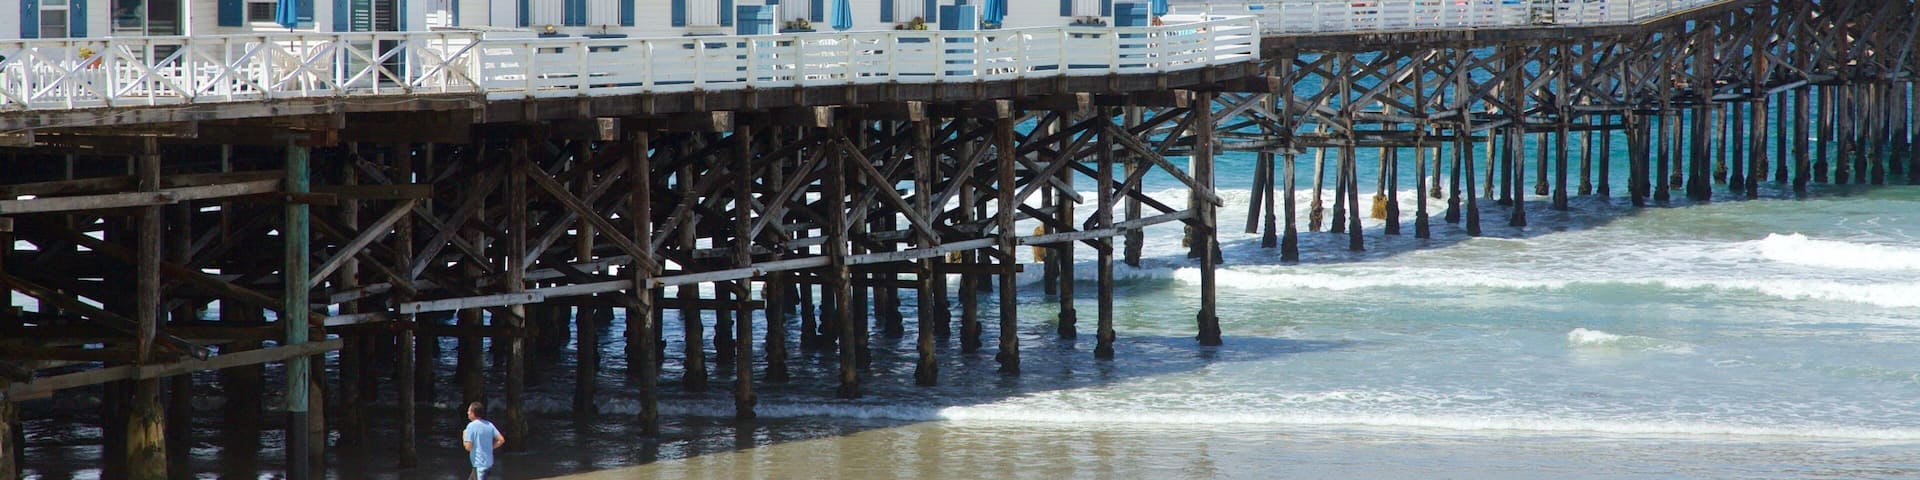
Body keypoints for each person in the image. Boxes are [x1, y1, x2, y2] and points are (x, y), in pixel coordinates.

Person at [462, 402, 506, 479]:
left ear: (473, 413)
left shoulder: (471, 426)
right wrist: (490, 448)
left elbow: (468, 447)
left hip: (479, 464)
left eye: (469, 411)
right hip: (488, 463)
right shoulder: (489, 425)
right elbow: (501, 440)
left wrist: (464, 436)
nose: (467, 413)